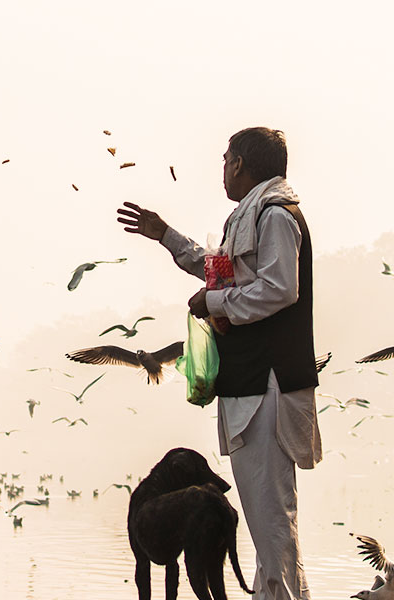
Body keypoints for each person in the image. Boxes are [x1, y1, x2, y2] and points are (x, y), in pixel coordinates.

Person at [117, 127, 315, 600]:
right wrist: (166, 236)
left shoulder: (275, 217)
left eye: (226, 159)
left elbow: (279, 288)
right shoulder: (251, 217)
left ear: (240, 164)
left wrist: (215, 303)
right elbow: (220, 267)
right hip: (249, 386)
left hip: (266, 386)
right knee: (270, 526)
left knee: (271, 524)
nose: (222, 167)